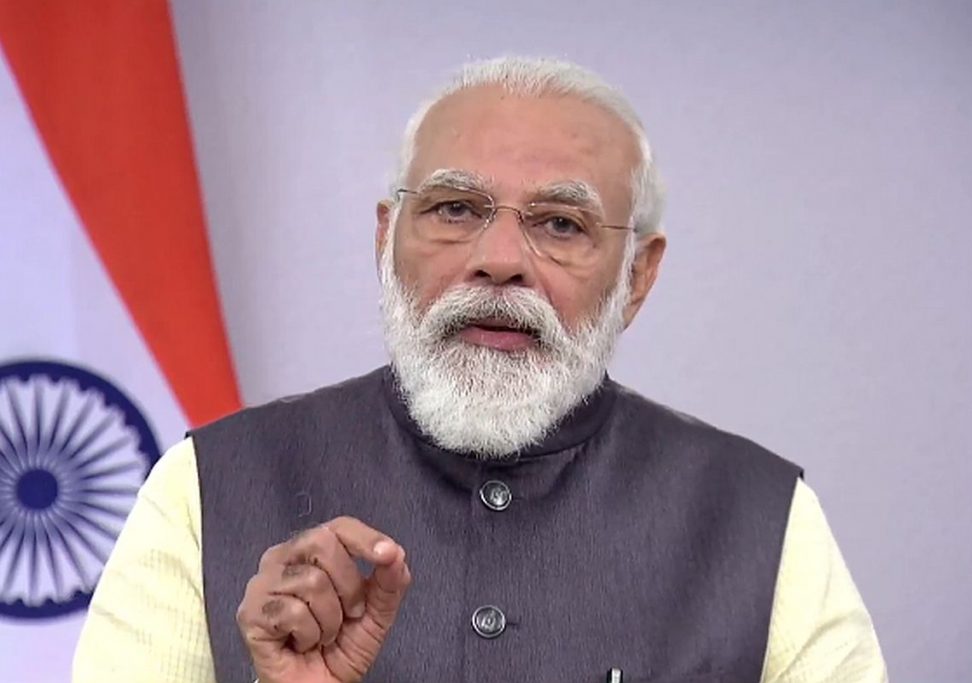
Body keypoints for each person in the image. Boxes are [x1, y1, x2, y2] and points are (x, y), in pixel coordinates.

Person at [73, 56, 886, 683]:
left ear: (637, 276)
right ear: (387, 239)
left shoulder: (762, 517)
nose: (499, 260)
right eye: (455, 209)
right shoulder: (206, 486)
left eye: (560, 223)